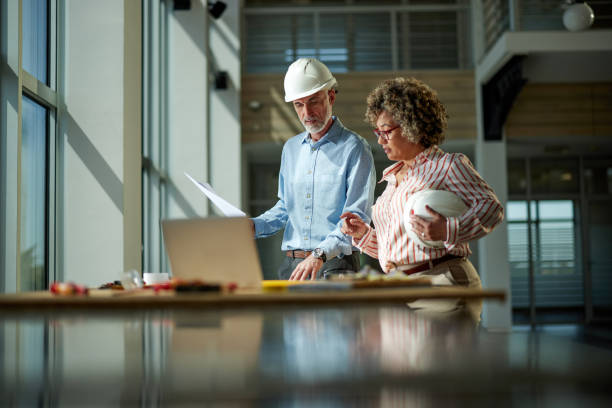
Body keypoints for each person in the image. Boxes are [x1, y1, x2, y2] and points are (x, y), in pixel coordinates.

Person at [341, 77, 503, 293]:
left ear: (412, 126)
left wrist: (448, 230)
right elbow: (397, 250)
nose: (380, 141)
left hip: (441, 281)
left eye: (386, 131)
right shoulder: (391, 180)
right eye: (377, 133)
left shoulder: (447, 165)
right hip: (400, 286)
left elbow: (491, 208)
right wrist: (363, 234)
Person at [250, 58, 376, 281]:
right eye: (299, 105)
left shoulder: (355, 148)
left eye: (313, 101)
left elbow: (356, 217)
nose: (307, 112)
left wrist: (320, 254)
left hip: (334, 265)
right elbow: (286, 208)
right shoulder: (291, 149)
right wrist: (253, 226)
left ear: (331, 97)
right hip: (292, 267)